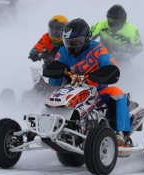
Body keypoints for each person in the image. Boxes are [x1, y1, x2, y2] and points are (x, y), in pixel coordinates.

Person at [44, 18, 131, 146]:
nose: (71, 46)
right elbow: (55, 79)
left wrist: (102, 73)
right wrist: (56, 72)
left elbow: (109, 63)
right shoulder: (63, 51)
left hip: (98, 90)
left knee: (117, 93)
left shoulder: (97, 48)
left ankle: (120, 133)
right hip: (72, 89)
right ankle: (47, 126)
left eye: (75, 42)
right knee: (54, 98)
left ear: (86, 39)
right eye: (68, 42)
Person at [28, 15, 68, 90]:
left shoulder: (69, 39)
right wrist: (34, 52)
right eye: (52, 30)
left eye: (58, 31)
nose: (55, 33)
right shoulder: (46, 38)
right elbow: (38, 46)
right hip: (49, 71)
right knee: (38, 88)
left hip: (68, 71)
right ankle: (28, 99)